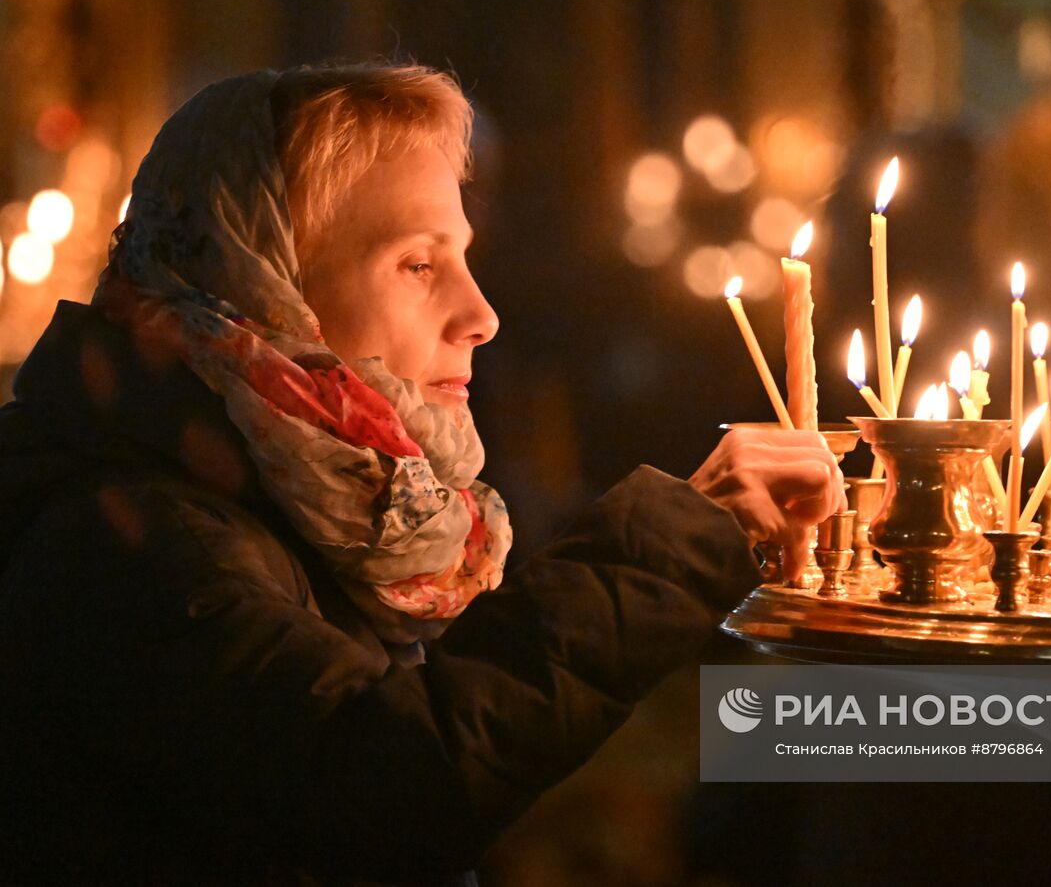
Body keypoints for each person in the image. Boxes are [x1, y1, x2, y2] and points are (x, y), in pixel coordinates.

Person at [0, 63, 843, 884]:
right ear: (265, 288)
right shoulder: (122, 538)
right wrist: (670, 543)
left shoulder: (318, 504)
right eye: (417, 264)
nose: (481, 315)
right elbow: (377, 784)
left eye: (465, 257)